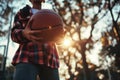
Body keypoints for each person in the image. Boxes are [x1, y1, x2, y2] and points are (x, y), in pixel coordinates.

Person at [11, 0, 60, 80]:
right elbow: (13, 35)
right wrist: (24, 33)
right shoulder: (23, 13)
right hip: (26, 56)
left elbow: (58, 40)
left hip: (50, 59)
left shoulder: (51, 15)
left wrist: (60, 37)